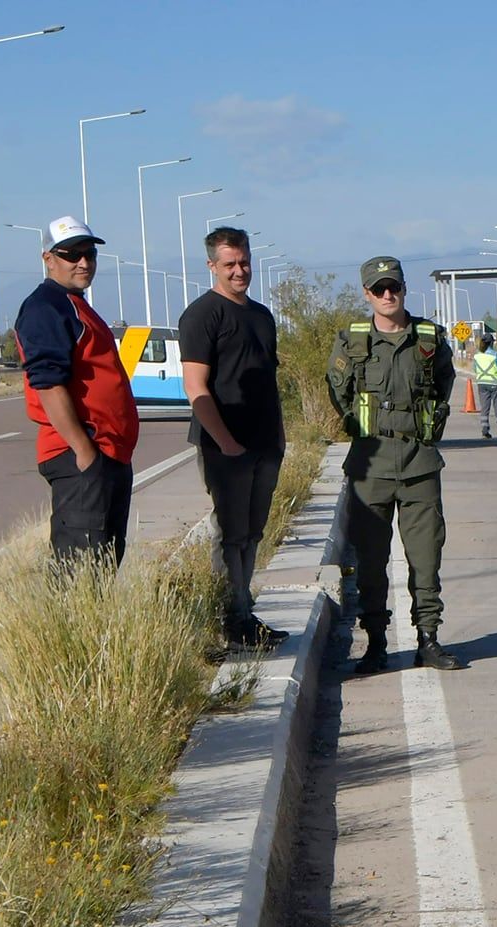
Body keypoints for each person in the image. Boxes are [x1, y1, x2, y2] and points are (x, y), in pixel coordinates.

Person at [327, 255, 461, 673]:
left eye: (394, 287)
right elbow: (338, 392)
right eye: (379, 289)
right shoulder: (352, 340)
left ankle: (429, 639)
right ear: (367, 293)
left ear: (404, 288)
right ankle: (376, 644)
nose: (388, 295)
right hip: (371, 465)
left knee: (426, 558)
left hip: (419, 464)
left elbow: (444, 384)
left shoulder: (430, 337)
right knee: (370, 562)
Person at [14, 216, 139, 566]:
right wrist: (84, 451)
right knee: (80, 569)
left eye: (89, 254)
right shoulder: (46, 307)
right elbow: (48, 384)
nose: (84, 262)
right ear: (48, 259)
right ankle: (69, 624)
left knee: (103, 564)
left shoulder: (75, 303)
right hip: (80, 455)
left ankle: (94, 623)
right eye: (72, 254)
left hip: (106, 455)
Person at [181, 225, 285, 647]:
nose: (239, 270)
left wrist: (278, 438)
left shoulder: (261, 315)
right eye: (230, 264)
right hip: (226, 446)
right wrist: (225, 441)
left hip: (266, 444)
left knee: (253, 531)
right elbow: (196, 388)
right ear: (212, 266)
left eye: (244, 262)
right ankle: (232, 619)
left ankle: (245, 612)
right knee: (230, 532)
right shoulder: (202, 315)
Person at [472, 331, 497, 440]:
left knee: (485, 407)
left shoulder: (477, 355)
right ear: (491, 343)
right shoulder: (495, 355)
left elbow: (475, 369)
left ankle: (485, 430)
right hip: (495, 383)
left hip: (482, 383)